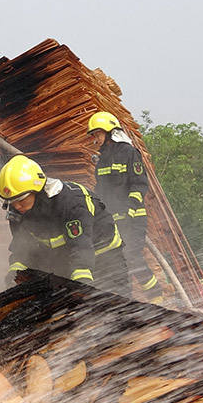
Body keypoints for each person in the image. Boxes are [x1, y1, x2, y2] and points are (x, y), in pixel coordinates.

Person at [0, 155, 129, 295]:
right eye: (11, 201)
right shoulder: (17, 212)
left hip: (104, 254)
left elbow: (81, 245)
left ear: (37, 190)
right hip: (65, 255)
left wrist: (82, 286)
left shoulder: (71, 203)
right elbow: (23, 248)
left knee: (114, 302)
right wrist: (15, 275)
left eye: (20, 199)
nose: (16, 205)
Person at [87, 111, 164, 304]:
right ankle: (124, 301)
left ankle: (157, 296)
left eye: (97, 134)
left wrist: (129, 209)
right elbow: (101, 188)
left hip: (132, 218)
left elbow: (139, 184)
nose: (95, 139)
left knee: (131, 256)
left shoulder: (129, 153)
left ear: (109, 132)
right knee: (114, 260)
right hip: (112, 220)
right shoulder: (102, 158)